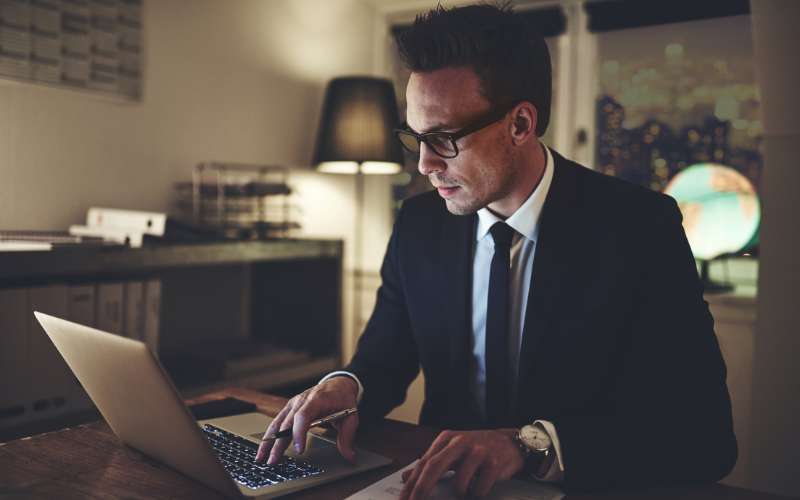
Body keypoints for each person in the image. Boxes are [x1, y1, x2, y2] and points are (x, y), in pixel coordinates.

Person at [256, 3, 737, 498]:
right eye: (416, 138)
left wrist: (529, 446)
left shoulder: (639, 228)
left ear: (521, 124)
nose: (423, 165)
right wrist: (344, 386)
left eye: (442, 139)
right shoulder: (418, 225)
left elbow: (704, 438)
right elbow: (382, 361)